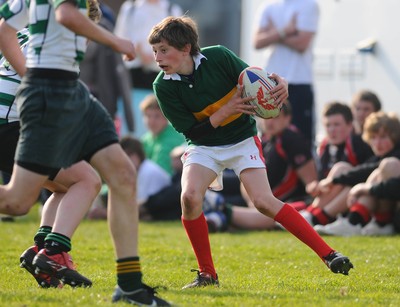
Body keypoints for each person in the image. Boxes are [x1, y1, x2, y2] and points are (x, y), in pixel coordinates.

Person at [148, 16, 353, 289]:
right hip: (204, 145)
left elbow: (259, 82)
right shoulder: (162, 85)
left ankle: (330, 254)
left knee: (264, 202)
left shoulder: (219, 56)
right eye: (155, 51)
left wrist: (280, 86)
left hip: (242, 139)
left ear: (185, 48)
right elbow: (193, 134)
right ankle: (207, 274)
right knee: (189, 197)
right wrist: (227, 109)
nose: (157, 57)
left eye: (163, 50)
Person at [0, 0, 169, 305]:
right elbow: (66, 15)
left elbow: (4, 30)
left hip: (64, 91)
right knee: (21, 201)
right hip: (42, 97)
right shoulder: (72, 18)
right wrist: (115, 39)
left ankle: (123, 283)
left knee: (115, 174)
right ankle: (52, 252)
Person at [313, 112, 400, 236]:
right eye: (374, 137)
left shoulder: (394, 155)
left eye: (383, 137)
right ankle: (315, 215)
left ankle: (354, 222)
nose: (378, 143)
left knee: (388, 166)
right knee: (344, 169)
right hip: (379, 213)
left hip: (394, 216)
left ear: (395, 137)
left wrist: (364, 188)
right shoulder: (378, 156)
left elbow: (371, 173)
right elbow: (363, 171)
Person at [253, 0, 319, 145]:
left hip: (299, 82)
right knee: (268, 138)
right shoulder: (268, 6)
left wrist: (274, 34)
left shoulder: (308, 5)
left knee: (301, 140)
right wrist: (285, 31)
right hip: (271, 83)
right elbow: (257, 42)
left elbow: (302, 44)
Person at [300, 101, 374, 225]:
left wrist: (330, 182)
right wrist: (316, 186)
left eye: (336, 125)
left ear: (350, 125)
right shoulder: (325, 147)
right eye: (328, 125)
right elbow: (323, 180)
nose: (332, 130)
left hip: (356, 200)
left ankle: (313, 217)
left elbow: (366, 176)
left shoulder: (359, 143)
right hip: (327, 202)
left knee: (342, 169)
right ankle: (312, 215)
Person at [242, 100, 317, 206]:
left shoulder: (291, 139)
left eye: (275, 117)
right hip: (258, 201)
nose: (270, 122)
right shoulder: (266, 139)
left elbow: (312, 184)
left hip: (282, 204)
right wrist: (252, 201)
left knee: (223, 205)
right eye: (266, 117)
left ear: (287, 118)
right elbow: (245, 174)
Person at [79, 3, 135, 134]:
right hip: (75, 99)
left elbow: (120, 74)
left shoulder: (105, 24)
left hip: (101, 100)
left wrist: (130, 121)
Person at [87, 135, 171, 220]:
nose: (125, 160)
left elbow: (142, 207)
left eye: (129, 155)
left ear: (138, 154)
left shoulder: (148, 171)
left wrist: (105, 213)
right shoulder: (141, 170)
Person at [139, 93, 186, 175]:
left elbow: (158, 173)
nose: (151, 121)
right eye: (148, 116)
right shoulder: (146, 138)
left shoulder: (172, 139)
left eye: (157, 116)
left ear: (166, 117)